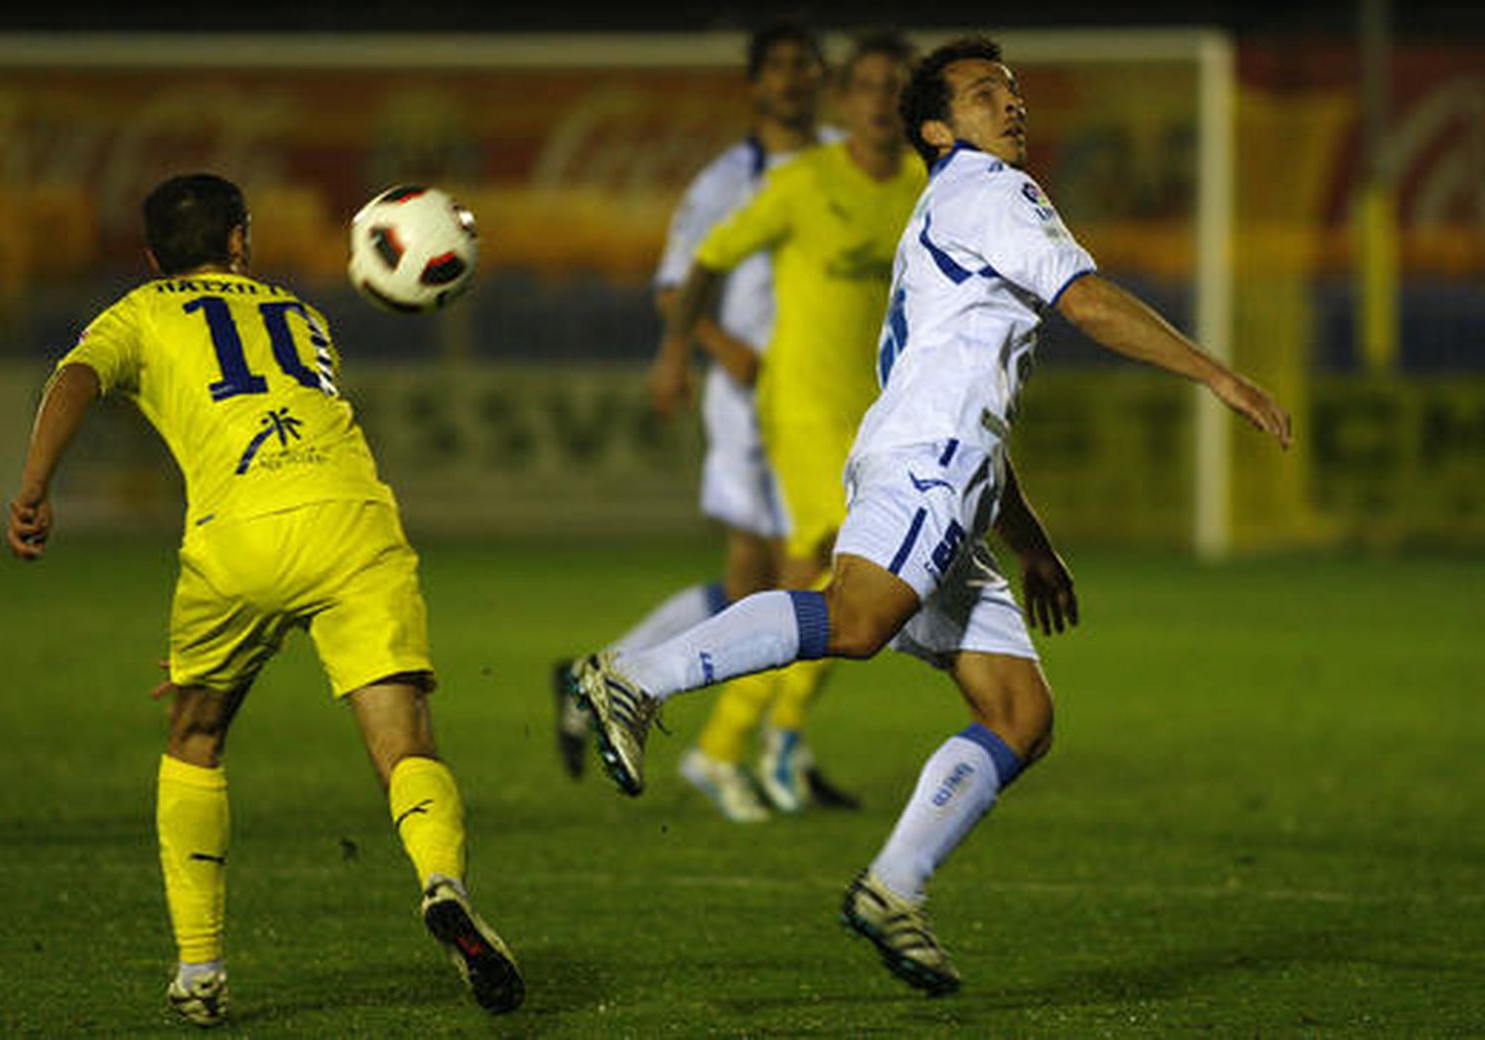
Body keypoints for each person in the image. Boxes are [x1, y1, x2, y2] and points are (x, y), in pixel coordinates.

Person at [573, 35, 1292, 996]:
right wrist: (1220, 375)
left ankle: (893, 887)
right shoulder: (992, 190)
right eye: (986, 92)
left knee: (1020, 715)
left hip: (954, 470)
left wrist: (1032, 547)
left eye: (1015, 91)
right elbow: (1086, 303)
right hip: (929, 464)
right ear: (938, 128)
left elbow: (976, 394)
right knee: (859, 619)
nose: (1012, 104)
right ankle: (635, 676)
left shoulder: (945, 207)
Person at [5, 173, 524, 1024]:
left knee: (196, 734)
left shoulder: (139, 311)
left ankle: (201, 972)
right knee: (405, 742)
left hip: (237, 534)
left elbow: (74, 381)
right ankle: (441, 882)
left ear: (151, 257)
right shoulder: (296, 313)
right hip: (354, 519)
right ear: (241, 240)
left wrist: (34, 486)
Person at [552, 22, 857, 821]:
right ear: (754, 86)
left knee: (788, 574)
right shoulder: (728, 179)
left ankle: (626, 681)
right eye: (780, 68)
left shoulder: (846, 161)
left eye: (806, 67)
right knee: (788, 571)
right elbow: (674, 286)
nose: (795, 81)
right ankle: (743, 740)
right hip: (751, 399)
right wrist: (703, 348)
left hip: (828, 393)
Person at [649, 29, 925, 815]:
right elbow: (706, 259)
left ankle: (747, 741)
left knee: (842, 582)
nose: (878, 100)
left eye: (894, 87)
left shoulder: (923, 187)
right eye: (866, 85)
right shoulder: (804, 182)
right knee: (849, 567)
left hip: (878, 412)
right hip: (800, 406)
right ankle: (758, 741)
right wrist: (678, 352)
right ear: (845, 101)